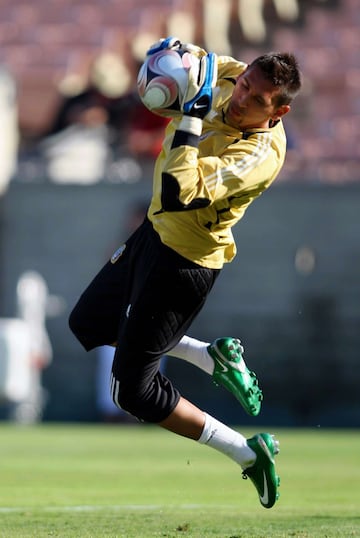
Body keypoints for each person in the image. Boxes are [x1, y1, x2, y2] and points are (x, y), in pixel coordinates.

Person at [69, 37, 301, 509]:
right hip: (154, 233)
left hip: (185, 262)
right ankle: (208, 357)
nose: (241, 99)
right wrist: (174, 53)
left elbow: (180, 189)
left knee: (131, 392)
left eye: (256, 101)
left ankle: (245, 452)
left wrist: (191, 114)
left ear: (277, 114)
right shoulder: (237, 76)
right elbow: (203, 61)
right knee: (88, 322)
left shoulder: (259, 156)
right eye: (245, 86)